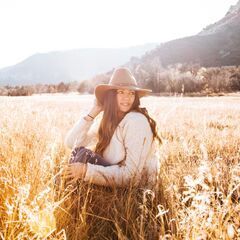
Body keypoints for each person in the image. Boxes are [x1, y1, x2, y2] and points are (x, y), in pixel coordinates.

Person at [62, 67, 162, 188]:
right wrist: (94, 111)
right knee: (79, 152)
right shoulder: (109, 121)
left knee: (83, 157)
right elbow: (72, 143)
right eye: (121, 92)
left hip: (135, 190)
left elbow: (132, 177)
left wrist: (85, 171)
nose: (127, 98)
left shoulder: (136, 121)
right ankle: (69, 195)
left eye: (131, 93)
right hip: (117, 179)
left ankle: (70, 195)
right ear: (111, 96)